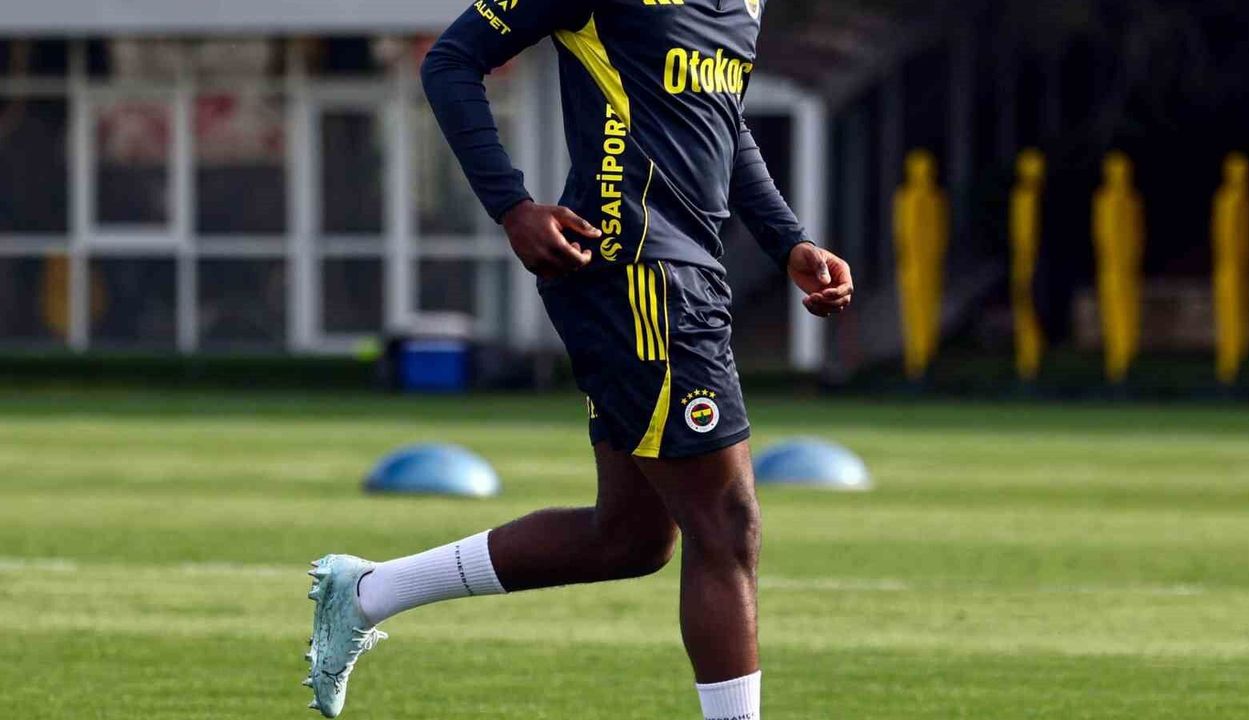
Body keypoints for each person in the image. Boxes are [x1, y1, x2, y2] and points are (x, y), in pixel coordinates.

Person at [304, 0, 854, 717]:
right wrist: (512, 205)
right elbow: (451, 60)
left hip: (679, 276)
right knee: (726, 523)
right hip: (638, 275)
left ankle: (366, 593)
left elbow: (723, 118)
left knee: (630, 538)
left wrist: (788, 240)